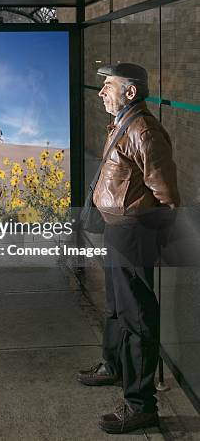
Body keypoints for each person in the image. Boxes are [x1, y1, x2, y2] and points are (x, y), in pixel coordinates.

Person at [77, 63, 180, 434]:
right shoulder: (123, 123)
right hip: (117, 229)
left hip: (134, 232)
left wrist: (157, 232)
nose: (102, 92)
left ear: (131, 92)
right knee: (117, 305)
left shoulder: (144, 130)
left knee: (136, 314)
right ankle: (114, 365)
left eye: (109, 85)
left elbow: (166, 192)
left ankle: (140, 404)